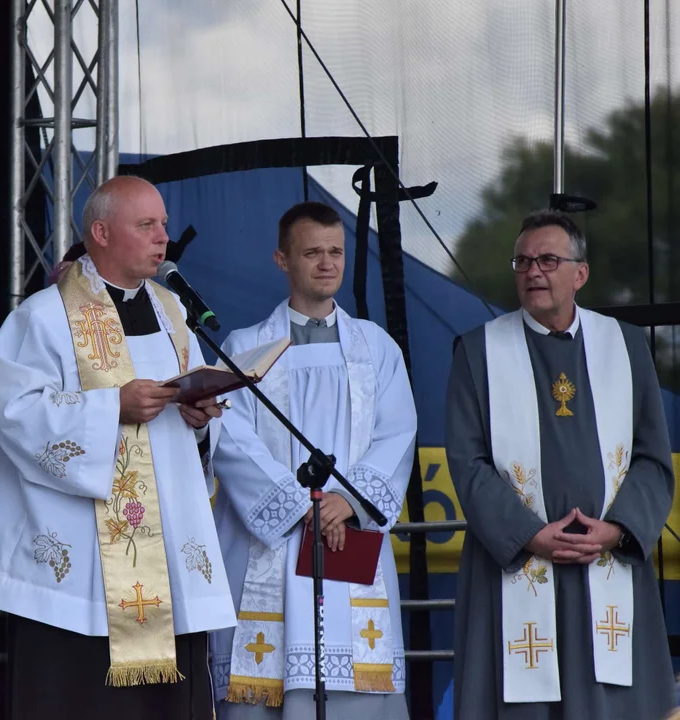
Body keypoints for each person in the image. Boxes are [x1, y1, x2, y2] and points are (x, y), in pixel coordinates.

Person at [0, 175, 236, 719]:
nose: (163, 237)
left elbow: (186, 424)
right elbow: (16, 413)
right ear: (101, 232)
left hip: (167, 557)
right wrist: (113, 407)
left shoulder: (173, 313)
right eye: (147, 225)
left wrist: (199, 417)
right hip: (83, 566)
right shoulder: (42, 316)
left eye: (162, 224)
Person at [446, 210, 676, 720]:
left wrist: (617, 530)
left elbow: (651, 459)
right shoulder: (478, 352)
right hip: (516, 562)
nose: (533, 271)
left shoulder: (626, 346)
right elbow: (469, 464)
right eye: (523, 261)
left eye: (549, 259)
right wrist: (529, 534)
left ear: (581, 273)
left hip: (605, 561)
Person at [209, 201, 416, 719]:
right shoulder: (245, 346)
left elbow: (396, 434)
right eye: (312, 253)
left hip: (350, 530)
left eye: (336, 252)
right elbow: (231, 439)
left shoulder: (376, 347)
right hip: (276, 541)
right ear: (283, 260)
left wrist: (346, 501)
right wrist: (300, 505)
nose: (327, 264)